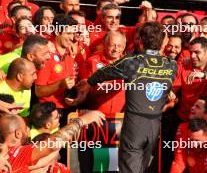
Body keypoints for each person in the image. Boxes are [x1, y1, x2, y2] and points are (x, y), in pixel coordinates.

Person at [66, 22, 178, 172]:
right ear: (163, 42)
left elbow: (107, 71)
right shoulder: (172, 65)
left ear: (141, 41)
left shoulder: (133, 62)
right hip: (154, 125)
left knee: (129, 168)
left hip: (135, 124)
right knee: (140, 168)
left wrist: (89, 83)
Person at [0, 109, 105, 172]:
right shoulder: (17, 153)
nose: (28, 129)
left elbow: (46, 157)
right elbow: (52, 145)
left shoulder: (7, 156)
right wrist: (82, 121)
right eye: (25, 128)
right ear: (18, 133)